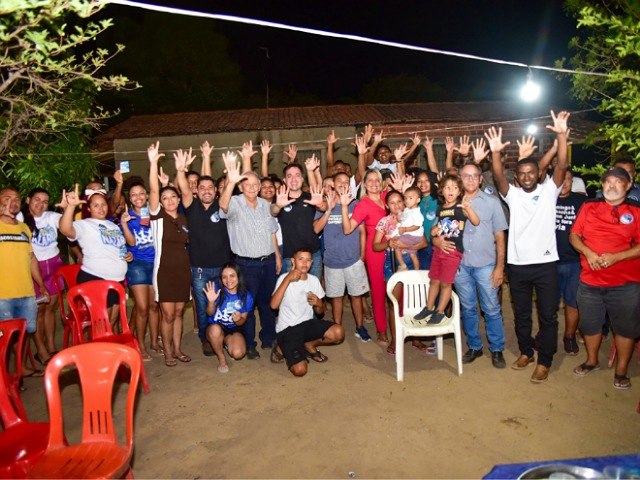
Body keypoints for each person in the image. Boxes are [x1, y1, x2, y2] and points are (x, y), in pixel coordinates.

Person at [486, 110, 570, 383]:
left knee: (548, 316)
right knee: (521, 314)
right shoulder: (513, 196)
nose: (526, 176)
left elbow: (561, 165)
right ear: (518, 176)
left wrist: (560, 135)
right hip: (518, 266)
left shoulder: (549, 191)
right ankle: (526, 352)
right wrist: (496, 153)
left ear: (538, 173)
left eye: (531, 172)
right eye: (521, 173)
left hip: (546, 265)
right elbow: (498, 176)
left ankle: (544, 360)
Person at [569, 166, 640, 390]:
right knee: (590, 325)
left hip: (625, 283)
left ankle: (621, 371)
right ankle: (592, 361)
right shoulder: (589, 206)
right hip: (590, 281)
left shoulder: (636, 210)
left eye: (618, 181)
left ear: (628, 186)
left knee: (625, 329)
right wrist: (588, 253)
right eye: (607, 181)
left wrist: (617, 257)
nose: (611, 185)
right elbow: (574, 235)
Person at [436, 162, 508, 368]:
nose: (469, 179)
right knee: (467, 308)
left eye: (473, 176)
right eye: (465, 176)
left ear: (480, 179)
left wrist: (499, 267)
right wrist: (436, 240)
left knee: (492, 308)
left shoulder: (492, 202)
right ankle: (475, 346)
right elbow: (437, 230)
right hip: (459, 265)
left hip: (486, 264)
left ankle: (497, 349)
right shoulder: (450, 201)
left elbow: (500, 236)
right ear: (459, 178)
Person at [219, 147, 282, 359]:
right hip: (246, 264)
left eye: (256, 184)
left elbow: (273, 226)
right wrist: (230, 182)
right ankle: (250, 343)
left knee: (267, 303)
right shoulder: (235, 202)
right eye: (248, 184)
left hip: (268, 261)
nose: (253, 188)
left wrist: (278, 256)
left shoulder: (265, 204)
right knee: (247, 305)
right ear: (241, 186)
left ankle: (269, 338)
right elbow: (223, 206)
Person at [176, 141, 233, 358]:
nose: (207, 191)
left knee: (222, 303)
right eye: (202, 188)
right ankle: (206, 339)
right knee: (202, 307)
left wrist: (229, 177)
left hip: (222, 268)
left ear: (215, 192)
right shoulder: (191, 206)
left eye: (210, 188)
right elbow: (183, 187)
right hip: (199, 269)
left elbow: (228, 187)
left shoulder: (223, 205)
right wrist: (181, 170)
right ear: (196, 191)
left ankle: (223, 334)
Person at [58, 184, 130, 327]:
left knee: (112, 320)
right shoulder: (84, 224)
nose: (101, 208)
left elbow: (120, 249)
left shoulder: (114, 226)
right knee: (102, 322)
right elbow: (66, 230)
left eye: (103, 204)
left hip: (118, 280)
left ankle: (106, 348)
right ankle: (99, 348)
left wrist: (127, 255)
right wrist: (71, 207)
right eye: (96, 205)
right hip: (96, 277)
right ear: (89, 208)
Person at [148, 142, 192, 367]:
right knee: (166, 314)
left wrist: (180, 172)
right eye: (165, 198)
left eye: (172, 197)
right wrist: (154, 162)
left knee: (178, 312)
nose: (170, 200)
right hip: (164, 272)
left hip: (183, 272)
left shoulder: (184, 219)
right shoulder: (157, 218)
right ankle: (167, 352)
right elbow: (154, 190)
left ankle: (177, 349)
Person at [313, 173, 371, 341]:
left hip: (353, 260)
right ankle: (336, 327)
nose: (343, 184)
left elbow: (362, 232)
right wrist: (329, 209)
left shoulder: (356, 204)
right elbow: (316, 229)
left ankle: (360, 327)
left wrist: (361, 256)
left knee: (356, 296)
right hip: (332, 261)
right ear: (333, 184)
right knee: (336, 297)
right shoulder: (324, 205)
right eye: (340, 181)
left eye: (347, 181)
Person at [415, 174, 480, 325]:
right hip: (438, 251)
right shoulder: (440, 208)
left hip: (453, 251)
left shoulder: (461, 207)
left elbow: (476, 221)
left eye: (455, 188)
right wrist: (433, 231)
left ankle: (440, 311)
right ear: (442, 191)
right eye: (447, 187)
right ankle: (429, 307)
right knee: (434, 281)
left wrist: (469, 209)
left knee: (445, 283)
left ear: (460, 191)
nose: (451, 190)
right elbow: (437, 227)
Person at [269, 248, 345, 377]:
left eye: (308, 260)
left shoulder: (314, 280)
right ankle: (280, 347)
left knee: (338, 332)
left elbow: (321, 312)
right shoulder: (283, 278)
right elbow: (273, 305)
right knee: (300, 371)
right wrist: (288, 279)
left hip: (307, 325)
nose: (305, 263)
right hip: (287, 329)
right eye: (301, 259)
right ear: (293, 261)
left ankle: (308, 344)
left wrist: (319, 304)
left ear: (312, 263)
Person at [372, 190, 430, 355]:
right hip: (392, 263)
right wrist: (389, 243)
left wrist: (406, 246)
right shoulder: (384, 222)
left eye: (399, 201)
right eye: (392, 202)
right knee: (394, 303)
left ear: (404, 202)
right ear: (387, 205)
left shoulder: (412, 216)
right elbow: (375, 246)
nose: (397, 205)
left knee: (416, 301)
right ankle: (395, 339)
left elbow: (424, 242)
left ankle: (416, 337)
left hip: (412, 262)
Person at [0, 187, 49, 377]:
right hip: (3, 295)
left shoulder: (24, 228)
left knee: (24, 333)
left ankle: (20, 368)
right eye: (6, 198)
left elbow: (31, 259)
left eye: (16, 198)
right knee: (5, 338)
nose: (12, 202)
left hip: (26, 292)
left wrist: (41, 285)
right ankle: (4, 378)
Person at [21, 188, 64, 364]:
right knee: (37, 311)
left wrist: (67, 208)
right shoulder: (19, 220)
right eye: (37, 200)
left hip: (54, 266)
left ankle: (52, 346)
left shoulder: (51, 217)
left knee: (49, 309)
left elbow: (67, 226)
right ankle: (41, 349)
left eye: (45, 201)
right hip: (33, 270)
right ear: (28, 199)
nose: (41, 204)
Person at [119, 180, 160, 360]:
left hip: (156, 264)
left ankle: (153, 342)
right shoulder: (127, 217)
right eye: (134, 194)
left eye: (141, 193)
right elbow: (131, 243)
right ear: (129, 198)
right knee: (142, 307)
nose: (138, 197)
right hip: (137, 265)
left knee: (154, 306)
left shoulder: (155, 213)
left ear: (147, 195)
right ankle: (140, 345)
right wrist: (125, 224)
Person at [270, 162, 324, 279]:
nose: (294, 179)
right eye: (289, 176)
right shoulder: (281, 199)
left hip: (313, 254)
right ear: (284, 180)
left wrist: (320, 204)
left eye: (297, 175)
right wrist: (279, 205)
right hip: (291, 257)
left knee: (314, 293)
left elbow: (325, 208)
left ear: (302, 178)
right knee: (292, 295)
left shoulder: (310, 197)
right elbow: (273, 211)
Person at [554, 169, 586, 355]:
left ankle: (569, 336)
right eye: (561, 179)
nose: (564, 183)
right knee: (548, 303)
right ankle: (546, 334)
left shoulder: (581, 202)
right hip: (550, 261)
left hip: (574, 261)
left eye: (568, 180)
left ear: (572, 181)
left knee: (572, 302)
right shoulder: (547, 199)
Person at [203, 264, 252, 373]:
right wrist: (211, 302)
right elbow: (209, 313)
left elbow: (241, 322)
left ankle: (224, 343)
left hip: (233, 329)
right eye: (224, 277)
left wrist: (238, 319)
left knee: (238, 353)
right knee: (215, 330)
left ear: (238, 277)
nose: (228, 280)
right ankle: (221, 358)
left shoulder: (246, 295)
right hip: (216, 327)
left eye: (232, 276)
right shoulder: (217, 290)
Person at [392, 186, 423, 270]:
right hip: (410, 235)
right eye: (405, 198)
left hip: (413, 236)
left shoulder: (416, 212)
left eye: (410, 198)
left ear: (418, 200)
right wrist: (399, 216)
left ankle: (402, 265)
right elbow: (402, 219)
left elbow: (417, 225)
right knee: (412, 254)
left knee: (397, 246)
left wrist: (405, 229)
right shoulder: (407, 210)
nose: (407, 200)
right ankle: (417, 271)